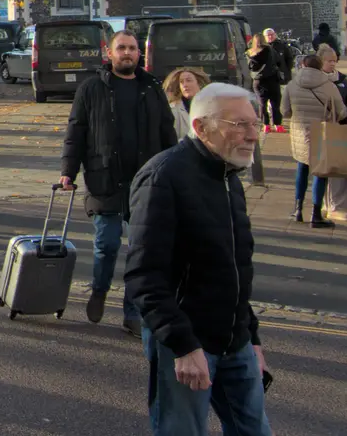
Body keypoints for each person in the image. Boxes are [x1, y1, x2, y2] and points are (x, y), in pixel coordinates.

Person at [126, 83, 271, 436]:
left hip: (234, 339)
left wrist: (251, 337)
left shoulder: (228, 173)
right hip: (188, 342)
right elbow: (145, 277)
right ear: (201, 128)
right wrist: (184, 346)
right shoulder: (163, 177)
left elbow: (234, 266)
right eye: (239, 125)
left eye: (256, 124)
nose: (252, 135)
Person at [58, 29, 177, 336]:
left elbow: (167, 132)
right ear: (109, 53)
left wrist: (176, 169)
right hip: (105, 178)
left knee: (140, 251)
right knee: (107, 245)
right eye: (121, 48)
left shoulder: (151, 87)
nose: (127, 53)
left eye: (132, 48)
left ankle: (132, 311)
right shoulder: (91, 88)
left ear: (140, 54)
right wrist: (68, 171)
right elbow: (76, 131)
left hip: (145, 182)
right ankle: (99, 289)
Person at [284, 52, 345, 228]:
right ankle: (316, 214)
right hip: (322, 132)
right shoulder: (329, 86)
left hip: (300, 132)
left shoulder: (291, 85)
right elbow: (340, 112)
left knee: (302, 167)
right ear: (320, 66)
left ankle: (297, 209)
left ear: (303, 65)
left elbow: (285, 111)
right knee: (320, 171)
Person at [317, 45, 347, 222]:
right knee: (322, 170)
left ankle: (338, 207)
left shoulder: (342, 80)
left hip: (339, 129)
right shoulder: (312, 80)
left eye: (335, 60)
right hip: (319, 129)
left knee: (340, 169)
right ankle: (323, 205)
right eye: (329, 60)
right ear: (320, 61)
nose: (333, 64)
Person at [246, 33, 284, 132]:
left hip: (258, 81)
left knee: (262, 103)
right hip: (272, 79)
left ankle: (266, 125)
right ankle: (278, 125)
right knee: (275, 103)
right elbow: (278, 61)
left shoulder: (249, 53)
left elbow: (249, 67)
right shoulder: (270, 50)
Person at [161, 67, 208, 141]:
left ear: (199, 83)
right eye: (181, 82)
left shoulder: (212, 106)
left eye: (188, 80)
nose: (185, 85)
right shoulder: (172, 109)